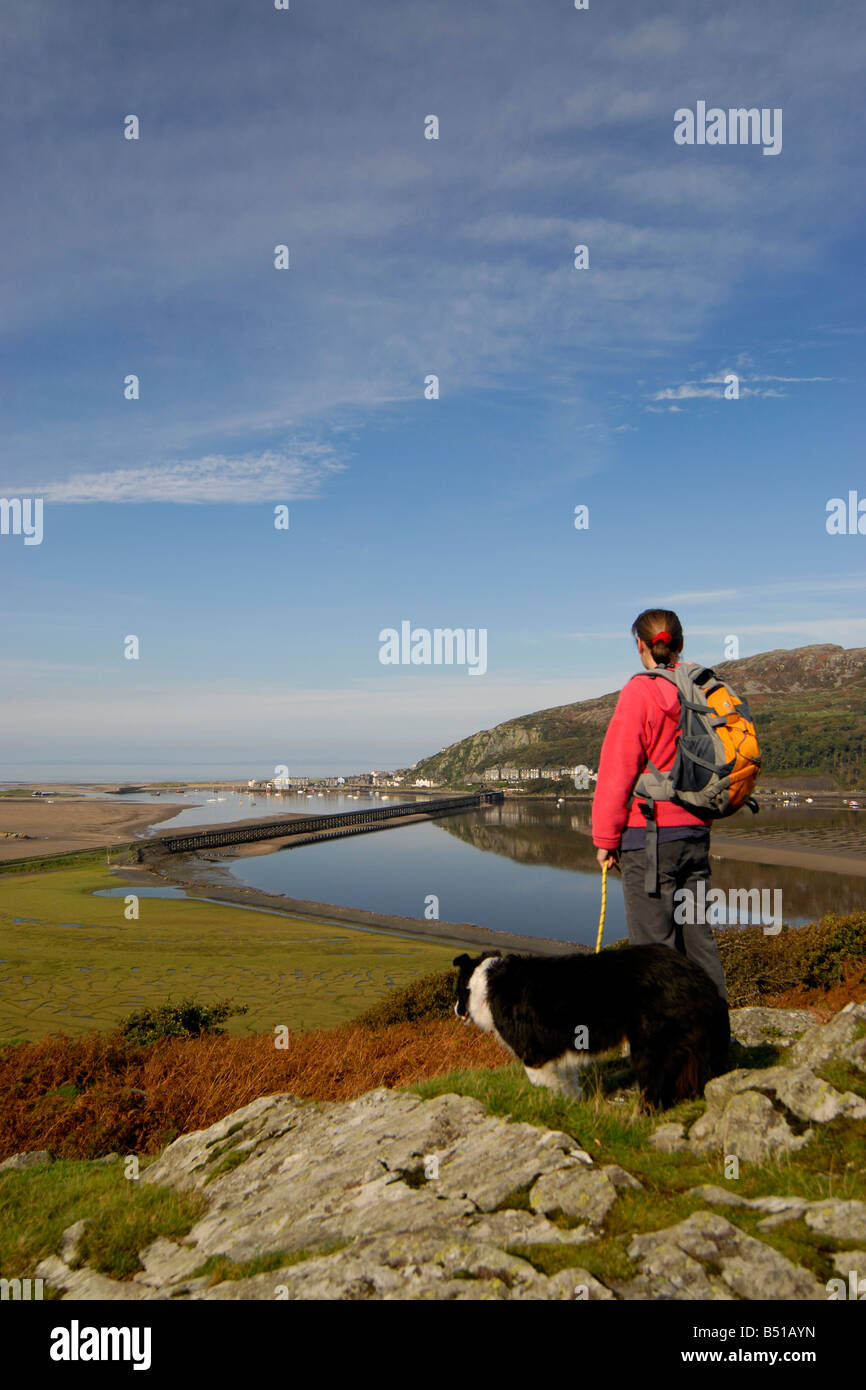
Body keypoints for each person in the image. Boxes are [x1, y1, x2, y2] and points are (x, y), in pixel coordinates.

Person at [591, 608, 728, 1002]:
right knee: (699, 942)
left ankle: (664, 1053)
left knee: (654, 952)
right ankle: (715, 1043)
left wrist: (605, 837)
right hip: (696, 834)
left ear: (640, 646)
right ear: (679, 643)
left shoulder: (640, 691)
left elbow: (617, 768)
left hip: (649, 841)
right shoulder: (698, 687)